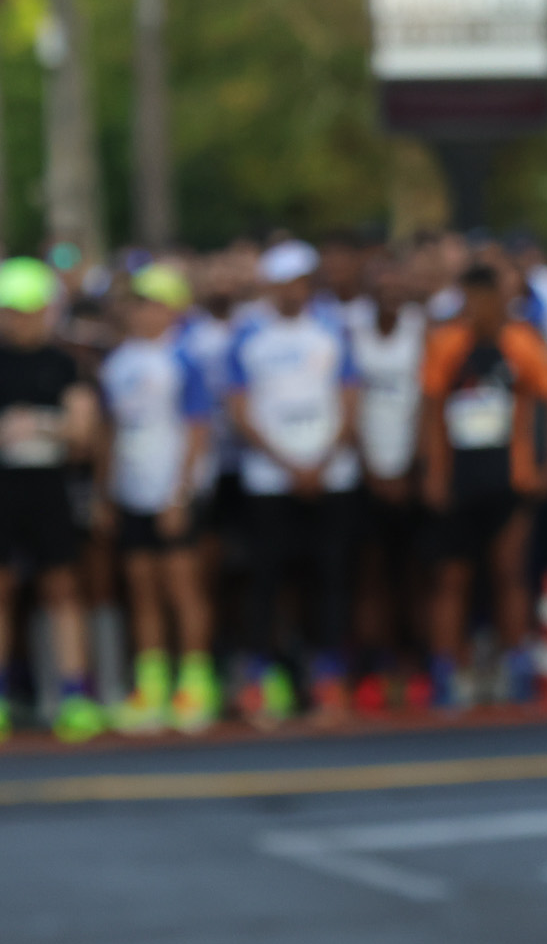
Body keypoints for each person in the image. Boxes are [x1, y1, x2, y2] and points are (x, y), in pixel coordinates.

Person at [227, 241, 363, 722]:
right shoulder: (248, 332)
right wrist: (287, 463)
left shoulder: (333, 327)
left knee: (328, 576)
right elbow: (238, 408)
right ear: (270, 285)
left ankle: (326, 677)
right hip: (270, 478)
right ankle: (262, 678)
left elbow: (350, 396)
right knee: (266, 579)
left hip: (330, 474)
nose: (295, 290)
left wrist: (322, 461)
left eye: (302, 280)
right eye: (285, 281)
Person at [420, 264, 547, 708]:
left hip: (510, 477)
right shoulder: (447, 345)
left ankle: (516, 665)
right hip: (460, 479)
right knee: (451, 577)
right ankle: (449, 670)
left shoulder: (522, 343)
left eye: (486, 298)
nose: (477, 308)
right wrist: (434, 473)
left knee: (509, 572)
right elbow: (430, 409)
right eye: (470, 298)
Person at [96, 266, 219, 733]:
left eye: (153, 302)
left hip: (172, 491)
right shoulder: (118, 361)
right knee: (142, 588)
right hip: (132, 490)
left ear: (173, 307)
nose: (142, 310)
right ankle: (151, 686)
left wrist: (179, 494)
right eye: (137, 301)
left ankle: (195, 683)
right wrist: (107, 493)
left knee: (182, 588)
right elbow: (110, 432)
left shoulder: (182, 359)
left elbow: (198, 431)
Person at [0, 256, 105, 739]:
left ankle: (74, 695)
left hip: (48, 486)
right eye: (13, 310)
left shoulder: (64, 362)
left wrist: (38, 424)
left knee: (61, 590)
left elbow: (82, 432)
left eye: (32, 309)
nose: (23, 318)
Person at [350, 255, 432, 710]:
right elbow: (347, 402)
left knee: (415, 577)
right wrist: (370, 469)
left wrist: (412, 469)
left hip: (410, 472)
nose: (390, 296)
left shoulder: (422, 330)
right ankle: (372, 668)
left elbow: (427, 402)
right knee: (371, 577)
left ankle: (415, 664)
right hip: (368, 472)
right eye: (381, 288)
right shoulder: (352, 330)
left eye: (398, 288)